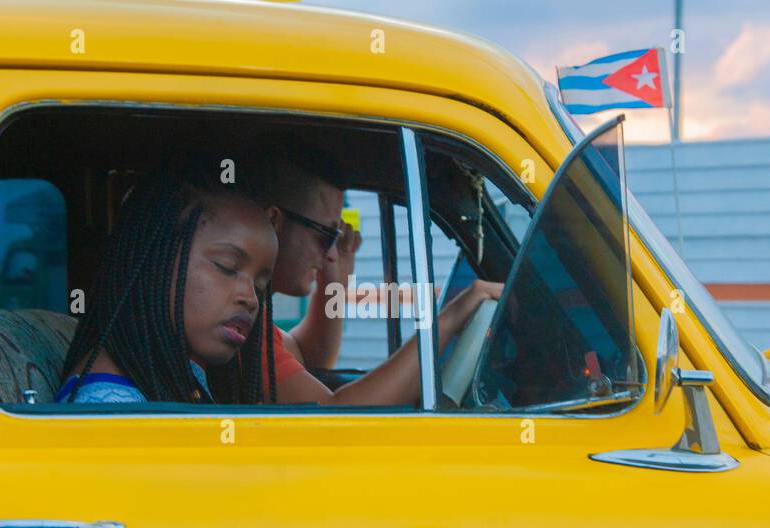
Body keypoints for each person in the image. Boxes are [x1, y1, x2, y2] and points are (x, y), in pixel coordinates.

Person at [249, 135, 502, 407]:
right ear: (274, 222)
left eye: (337, 236)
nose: (332, 252)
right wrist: (449, 319)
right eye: (325, 235)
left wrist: (332, 284)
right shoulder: (240, 326)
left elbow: (306, 357)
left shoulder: (256, 322)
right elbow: (332, 417)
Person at [57, 161, 279, 405]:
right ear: (154, 259)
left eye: (259, 285)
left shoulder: (180, 375)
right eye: (227, 267)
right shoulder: (108, 406)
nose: (250, 298)